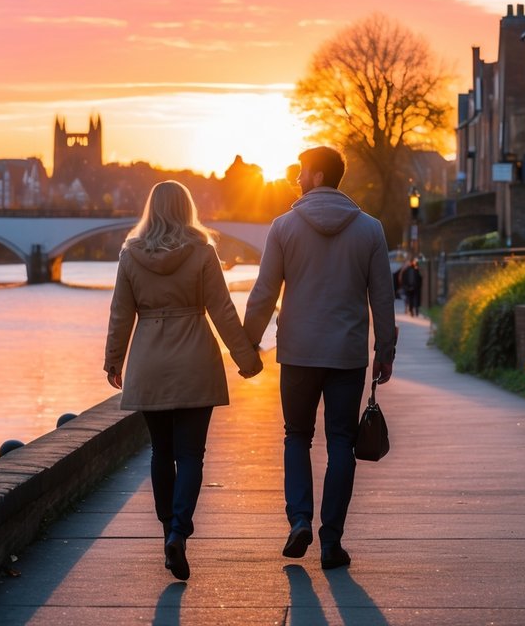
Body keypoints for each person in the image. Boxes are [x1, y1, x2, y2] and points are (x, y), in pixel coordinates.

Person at [244, 146, 397, 570]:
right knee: (341, 444)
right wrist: (385, 351)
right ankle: (331, 542)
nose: (295, 178)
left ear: (315, 175)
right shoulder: (370, 229)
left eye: (300, 172)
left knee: (296, 435)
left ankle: (299, 519)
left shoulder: (283, 228)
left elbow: (263, 294)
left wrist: (246, 347)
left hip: (298, 352)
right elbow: (382, 298)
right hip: (347, 355)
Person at [104, 180, 263, 582]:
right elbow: (223, 310)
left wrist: (113, 361)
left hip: (149, 364)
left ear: (150, 210)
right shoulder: (203, 253)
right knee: (191, 455)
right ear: (187, 209)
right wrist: (246, 359)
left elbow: (121, 314)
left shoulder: (130, 256)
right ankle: (179, 531)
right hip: (194, 359)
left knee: (161, 453)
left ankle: (167, 536)